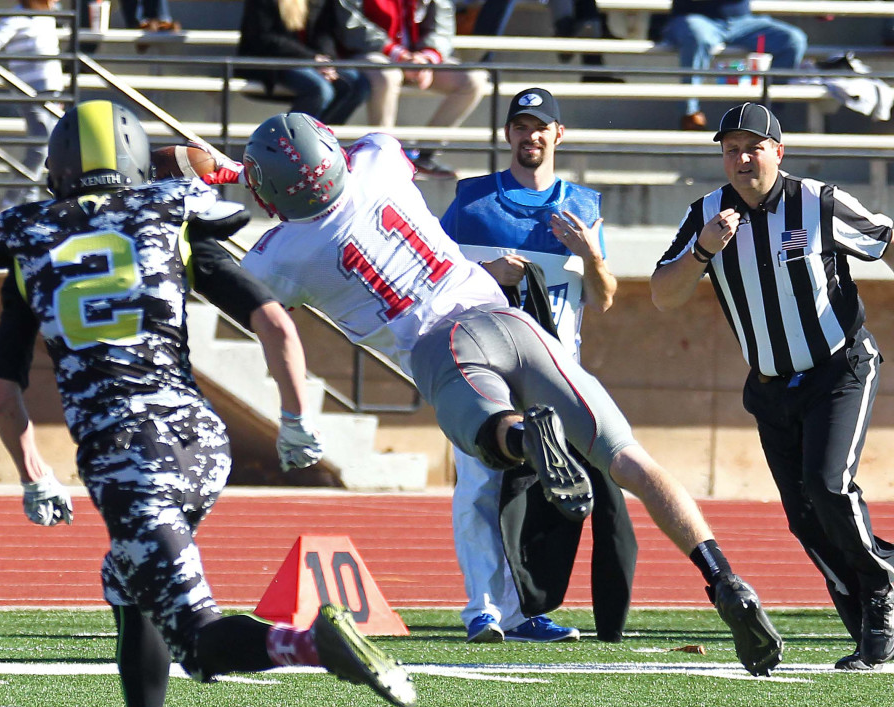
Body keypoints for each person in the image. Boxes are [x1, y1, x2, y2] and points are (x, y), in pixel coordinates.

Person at [0, 100, 416, 707]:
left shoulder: (32, 242)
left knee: (197, 640)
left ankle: (312, 644)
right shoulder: (167, 216)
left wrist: (32, 472)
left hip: (123, 458)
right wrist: (295, 419)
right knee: (127, 584)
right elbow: (274, 323)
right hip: (202, 441)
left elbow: (1, 391)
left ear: (56, 170)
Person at [231, 111, 782, 676]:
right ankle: (725, 579)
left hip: (440, 346)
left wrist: (226, 182)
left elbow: (238, 278)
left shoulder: (280, 255)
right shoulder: (375, 163)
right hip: (507, 317)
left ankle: (527, 438)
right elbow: (367, 150)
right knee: (627, 457)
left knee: (492, 437)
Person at [650, 102, 894, 671]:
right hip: (770, 386)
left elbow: (886, 241)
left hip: (840, 367)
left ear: (777, 153)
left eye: (753, 147)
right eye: (731, 148)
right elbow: (664, 293)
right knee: (804, 517)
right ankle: (868, 624)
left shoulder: (819, 201)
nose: (741, 158)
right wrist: (704, 248)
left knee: (828, 484)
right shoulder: (706, 214)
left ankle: (882, 587)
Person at [440, 87, 636, 644]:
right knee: (478, 480)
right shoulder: (473, 201)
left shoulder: (582, 204)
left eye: (541, 127)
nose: (531, 136)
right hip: (481, 365)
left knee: (547, 491)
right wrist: (487, 276)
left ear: (558, 135)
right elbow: (433, 274)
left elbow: (603, 297)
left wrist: (592, 256)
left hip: (556, 370)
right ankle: (481, 607)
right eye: (521, 127)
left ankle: (528, 607)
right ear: (508, 135)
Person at [337, 0, 487, 179]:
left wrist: (427, 58)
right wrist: (399, 55)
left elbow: (443, 27)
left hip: (417, 58)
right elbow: (351, 25)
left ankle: (424, 155)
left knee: (474, 80)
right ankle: (383, 154)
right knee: (388, 75)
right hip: (373, 53)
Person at [0, 0, 64, 209]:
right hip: (30, 89)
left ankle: (26, 197)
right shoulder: (18, 17)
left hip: (52, 88)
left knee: (48, 145)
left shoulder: (48, 16)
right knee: (41, 143)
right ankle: (16, 199)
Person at [661, 0, 807, 131]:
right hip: (696, 19)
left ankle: (765, 115)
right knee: (697, 36)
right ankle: (690, 114)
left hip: (743, 21)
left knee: (793, 40)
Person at [238, 0, 370, 125]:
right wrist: (312, 59)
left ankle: (322, 137)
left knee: (359, 85)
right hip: (275, 60)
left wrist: (326, 62)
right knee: (320, 89)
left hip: (311, 60)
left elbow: (324, 33)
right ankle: (287, 139)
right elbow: (265, 39)